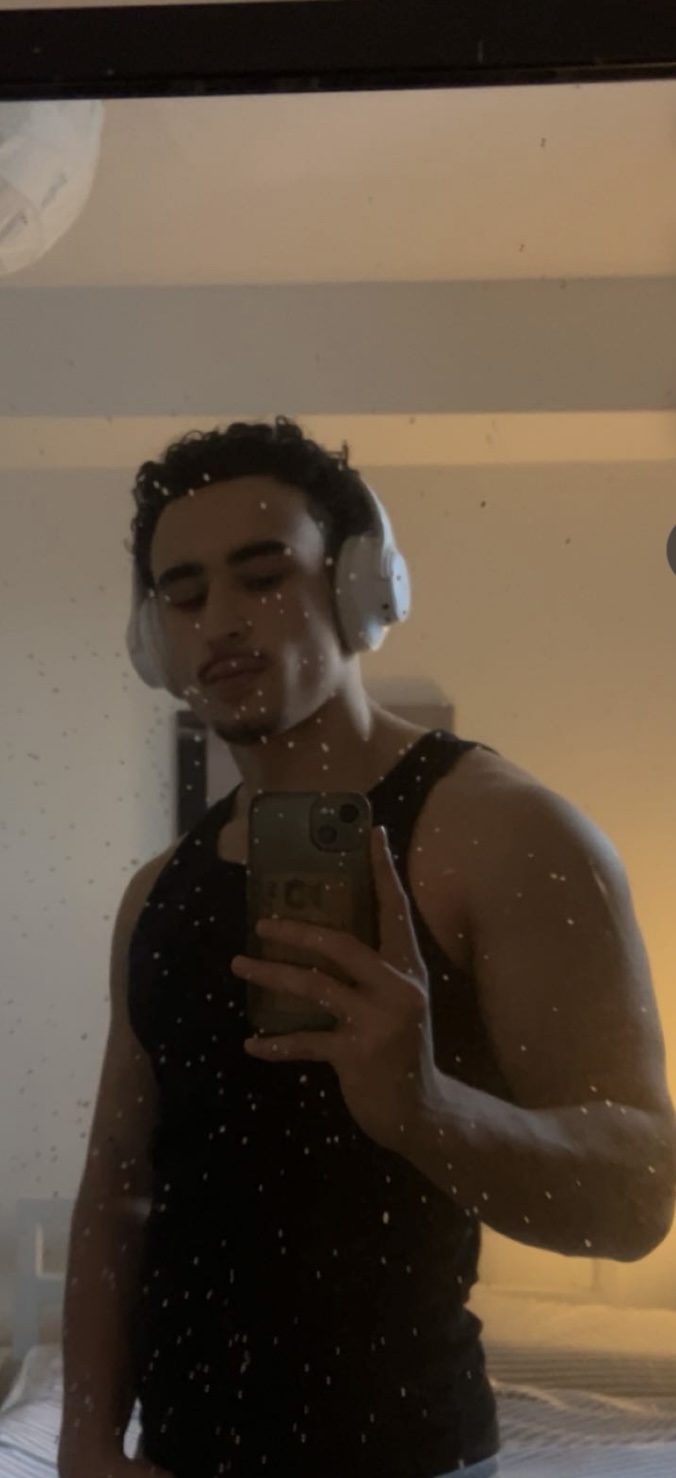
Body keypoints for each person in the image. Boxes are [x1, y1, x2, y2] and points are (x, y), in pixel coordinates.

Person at [58, 417, 676, 1478]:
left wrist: (426, 1107)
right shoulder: (154, 892)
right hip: (173, 1460)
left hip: (406, 1456)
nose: (221, 621)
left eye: (264, 577)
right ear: (152, 637)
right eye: (185, 594)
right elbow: (117, 1178)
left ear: (359, 590)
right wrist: (82, 1438)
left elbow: (637, 1196)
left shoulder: (509, 835)